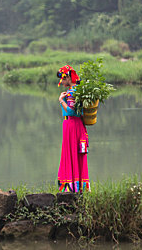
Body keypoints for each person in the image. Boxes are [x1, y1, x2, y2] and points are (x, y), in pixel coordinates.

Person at [56, 65, 90, 193]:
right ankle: (76, 186)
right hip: (72, 126)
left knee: (71, 154)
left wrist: (61, 100)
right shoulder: (75, 90)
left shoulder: (72, 92)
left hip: (72, 125)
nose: (62, 82)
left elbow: (72, 111)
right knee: (72, 154)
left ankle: (72, 186)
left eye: (63, 79)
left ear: (68, 77)